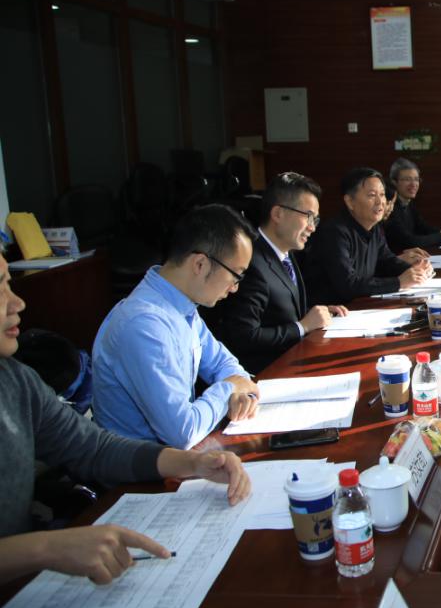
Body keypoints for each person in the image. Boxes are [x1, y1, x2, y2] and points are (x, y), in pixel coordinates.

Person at [0, 250, 250, 586]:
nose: (17, 303)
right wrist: (44, 548)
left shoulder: (15, 379)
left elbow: (93, 447)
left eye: (9, 284)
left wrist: (192, 463)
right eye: (0, 288)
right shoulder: (142, 320)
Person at [93, 205, 260, 449]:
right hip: (141, 468)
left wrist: (239, 392)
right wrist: (229, 389)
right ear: (200, 264)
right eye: (236, 275)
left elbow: (225, 364)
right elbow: (183, 432)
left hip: (176, 458)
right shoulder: (144, 324)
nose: (235, 288)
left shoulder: (182, 306)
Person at [205, 172, 349, 375]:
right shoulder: (249, 261)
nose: (312, 227)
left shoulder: (285, 253)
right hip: (266, 374)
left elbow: (277, 311)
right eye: (307, 216)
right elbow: (243, 336)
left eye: (315, 219)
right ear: (278, 214)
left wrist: (316, 313)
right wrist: (302, 326)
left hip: (294, 362)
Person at [304, 167, 432, 305]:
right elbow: (348, 285)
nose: (380, 201)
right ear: (350, 202)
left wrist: (415, 270)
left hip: (359, 306)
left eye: (382, 194)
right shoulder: (334, 232)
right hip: (333, 312)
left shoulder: (374, 227)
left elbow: (387, 261)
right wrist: (398, 282)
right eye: (372, 195)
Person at [384, 157, 441, 252]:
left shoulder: (408, 203)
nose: (413, 184)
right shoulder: (389, 208)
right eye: (407, 179)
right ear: (394, 182)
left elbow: (423, 228)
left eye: (416, 179)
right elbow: (409, 242)